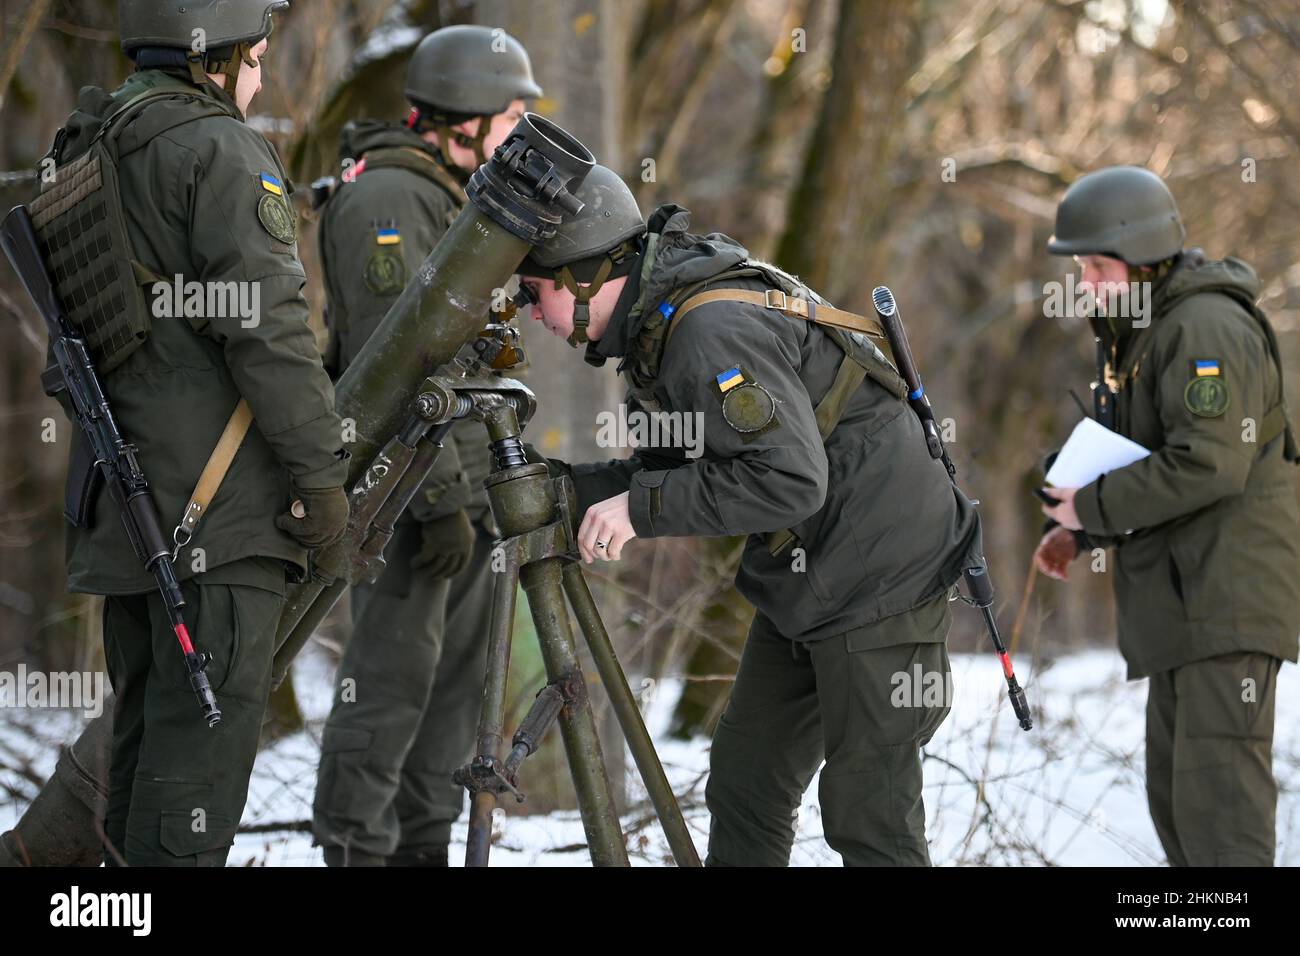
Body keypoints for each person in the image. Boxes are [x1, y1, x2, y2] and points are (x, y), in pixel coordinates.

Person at [515, 166, 984, 866]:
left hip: (882, 574)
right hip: (810, 577)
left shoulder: (709, 327)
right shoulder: (665, 321)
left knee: (868, 811)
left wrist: (640, 512)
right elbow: (690, 463)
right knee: (747, 781)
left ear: (584, 275)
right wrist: (566, 491)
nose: (529, 312)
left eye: (534, 290)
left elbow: (788, 481)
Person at [35, 0, 350, 865]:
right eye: (256, 55)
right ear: (216, 56)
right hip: (219, 519)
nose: (261, 75)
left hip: (127, 507)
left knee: (138, 764)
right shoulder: (218, 149)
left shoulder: (87, 146)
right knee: (194, 787)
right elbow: (273, 335)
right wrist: (323, 483)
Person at [311, 25, 541, 867]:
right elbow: (395, 364)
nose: (520, 133)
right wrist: (442, 503)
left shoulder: (449, 195)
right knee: (387, 695)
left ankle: (421, 851)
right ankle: (356, 854)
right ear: (467, 116)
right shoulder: (387, 200)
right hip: (404, 494)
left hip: (462, 488)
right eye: (512, 115)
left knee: (451, 703)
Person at [1036, 165, 1300, 866]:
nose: (1085, 282)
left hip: (1224, 602)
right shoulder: (1150, 330)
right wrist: (1080, 528)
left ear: (1143, 253)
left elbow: (1211, 461)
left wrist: (1092, 503)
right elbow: (1149, 455)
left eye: (1096, 264)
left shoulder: (1204, 326)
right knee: (1182, 812)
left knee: (1220, 821)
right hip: (1187, 607)